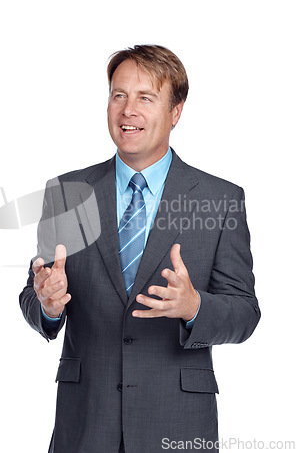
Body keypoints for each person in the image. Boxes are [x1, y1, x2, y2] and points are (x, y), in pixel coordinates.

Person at [19, 45, 260, 453]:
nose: (128, 110)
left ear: (175, 111)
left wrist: (194, 307)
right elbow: (34, 295)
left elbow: (245, 312)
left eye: (145, 98)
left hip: (177, 422)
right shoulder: (66, 193)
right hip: (85, 422)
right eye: (118, 95)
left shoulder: (220, 199)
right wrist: (47, 305)